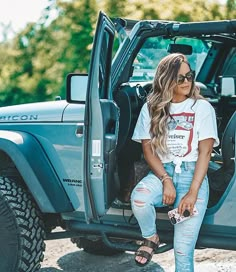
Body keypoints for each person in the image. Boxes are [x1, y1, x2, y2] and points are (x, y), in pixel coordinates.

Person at [131, 53, 219, 271]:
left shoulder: (202, 108)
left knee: (182, 251)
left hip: (193, 175)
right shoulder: (151, 108)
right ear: (166, 80)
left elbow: (206, 152)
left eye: (189, 76)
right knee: (139, 199)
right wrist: (165, 179)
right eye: (180, 78)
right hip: (163, 171)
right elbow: (147, 148)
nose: (187, 81)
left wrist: (193, 192)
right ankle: (151, 238)